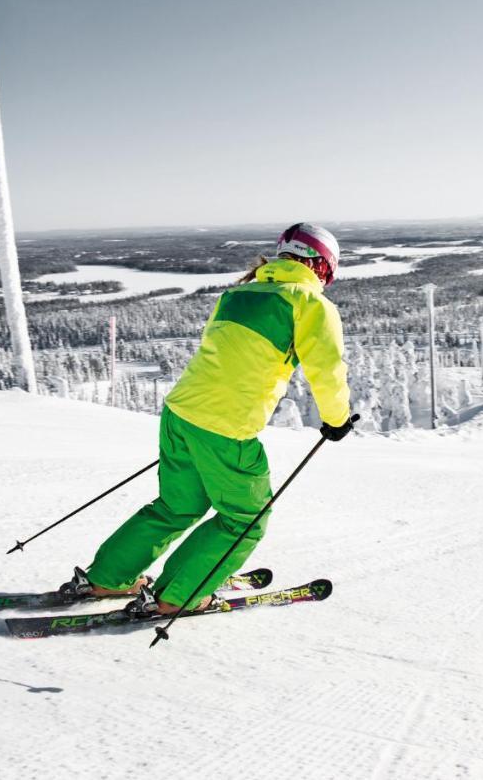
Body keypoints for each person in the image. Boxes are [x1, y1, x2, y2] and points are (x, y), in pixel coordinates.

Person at [59, 223, 353, 616]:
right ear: (323, 267)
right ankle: (176, 596)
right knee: (245, 518)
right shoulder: (311, 304)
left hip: (180, 413)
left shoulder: (237, 293)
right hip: (226, 427)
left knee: (176, 506)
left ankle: (107, 578)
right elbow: (328, 370)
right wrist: (337, 420)